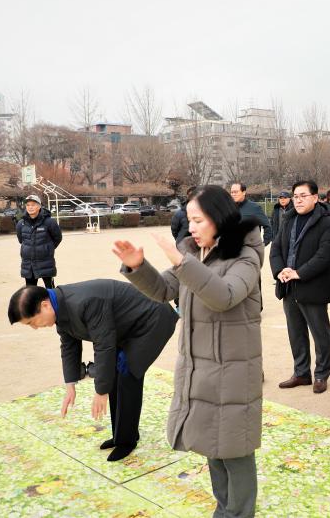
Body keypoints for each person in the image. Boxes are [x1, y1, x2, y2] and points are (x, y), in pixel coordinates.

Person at [114, 185, 264, 518]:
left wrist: (182, 261)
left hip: (234, 370)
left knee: (235, 451)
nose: (191, 227)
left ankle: (239, 513)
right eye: (189, 220)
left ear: (219, 218)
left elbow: (224, 296)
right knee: (213, 445)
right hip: (201, 368)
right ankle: (224, 509)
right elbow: (164, 289)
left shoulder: (245, 255)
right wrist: (139, 267)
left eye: (198, 220)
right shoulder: (195, 252)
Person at [7, 280, 176, 462]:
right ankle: (122, 435)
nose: (34, 327)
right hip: (127, 326)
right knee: (114, 372)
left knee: (127, 372)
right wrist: (70, 385)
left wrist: (101, 391)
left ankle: (127, 441)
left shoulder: (85, 302)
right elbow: (69, 346)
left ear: (45, 305)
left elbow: (104, 345)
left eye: (32, 322)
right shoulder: (60, 306)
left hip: (152, 320)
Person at [270, 180, 330, 394]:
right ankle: (301, 373)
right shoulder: (288, 219)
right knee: (296, 333)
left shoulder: (327, 223)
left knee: (320, 333)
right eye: (296, 196)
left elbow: (324, 255)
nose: (298, 200)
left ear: (315, 198)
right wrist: (280, 270)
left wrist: (299, 273)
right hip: (288, 286)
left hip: (313, 286)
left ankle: (321, 374)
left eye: (303, 196)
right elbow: (276, 248)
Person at [16, 194, 63, 288]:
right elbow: (21, 240)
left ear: (39, 206)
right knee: (30, 290)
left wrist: (47, 248)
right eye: (28, 205)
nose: (30, 207)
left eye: (33, 205)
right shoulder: (21, 223)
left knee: (50, 289)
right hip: (28, 264)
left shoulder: (49, 222)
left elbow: (57, 238)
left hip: (46, 262)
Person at [230, 181, 273, 246]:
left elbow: (267, 226)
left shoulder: (254, 208)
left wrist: (264, 243)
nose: (233, 194)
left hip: (249, 248)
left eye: (236, 192)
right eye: (232, 192)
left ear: (244, 192)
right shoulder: (229, 208)